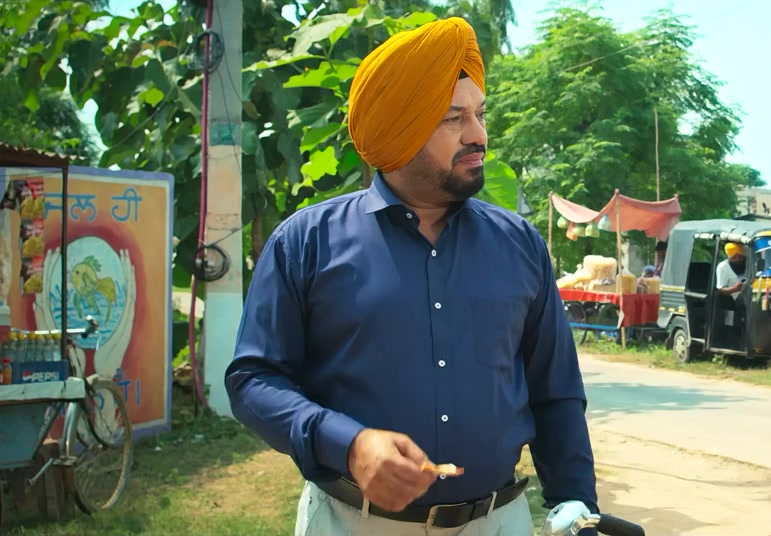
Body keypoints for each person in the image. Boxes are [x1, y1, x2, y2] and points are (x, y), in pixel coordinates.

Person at [224, 18, 598, 536]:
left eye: (479, 114)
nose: (479, 135)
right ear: (400, 131)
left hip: (498, 522)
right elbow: (253, 381)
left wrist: (577, 502)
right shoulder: (306, 242)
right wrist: (348, 444)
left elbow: (554, 391)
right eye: (453, 118)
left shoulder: (519, 245)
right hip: (353, 523)